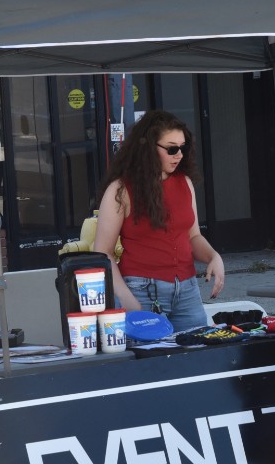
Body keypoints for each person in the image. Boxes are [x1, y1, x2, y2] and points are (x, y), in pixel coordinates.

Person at [93, 110, 224, 331]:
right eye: (172, 148)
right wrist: (126, 298)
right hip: (141, 288)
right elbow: (102, 252)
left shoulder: (184, 182)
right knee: (148, 360)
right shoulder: (121, 189)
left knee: (197, 354)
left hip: (187, 287)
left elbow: (192, 236)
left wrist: (214, 256)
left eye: (183, 147)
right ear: (148, 148)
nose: (179, 155)